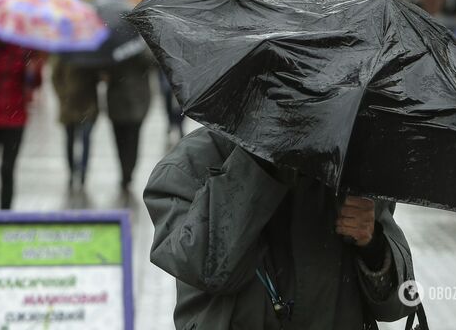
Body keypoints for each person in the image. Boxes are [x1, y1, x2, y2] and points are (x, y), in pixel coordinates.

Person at [145, 127, 415, 329]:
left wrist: (373, 247)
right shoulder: (190, 163)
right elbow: (205, 267)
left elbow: (400, 300)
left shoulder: (355, 164)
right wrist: (262, 161)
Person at [0, 31, 43, 209]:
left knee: (7, 169)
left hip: (15, 119)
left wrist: (33, 69)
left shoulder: (25, 49)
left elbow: (35, 82)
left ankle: (6, 214)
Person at [105, 51, 152, 193]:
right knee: (122, 141)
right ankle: (125, 171)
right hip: (118, 103)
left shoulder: (139, 49)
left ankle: (128, 172)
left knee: (131, 141)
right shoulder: (112, 49)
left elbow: (153, 63)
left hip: (135, 104)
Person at [51, 57, 100, 191]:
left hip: (88, 105)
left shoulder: (92, 55)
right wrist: (63, 95)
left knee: (86, 138)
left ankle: (83, 170)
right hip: (69, 106)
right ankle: (72, 170)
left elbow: (99, 76)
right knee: (70, 140)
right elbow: (55, 77)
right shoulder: (63, 55)